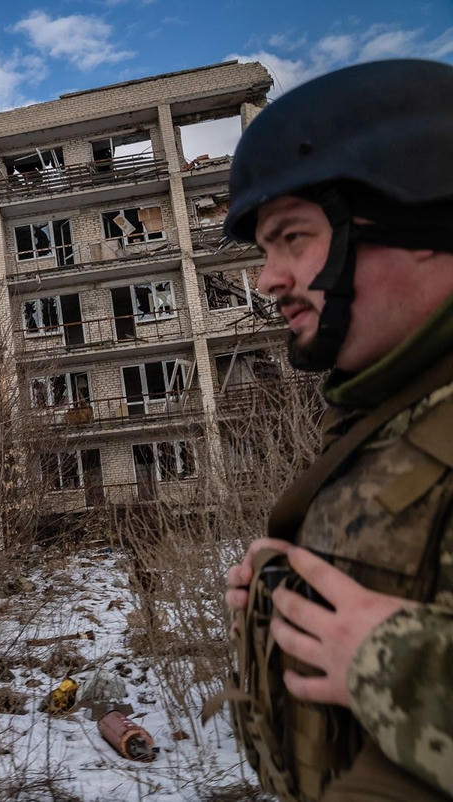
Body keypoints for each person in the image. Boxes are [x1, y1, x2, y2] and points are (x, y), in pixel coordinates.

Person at [221, 59, 453, 801]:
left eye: (293, 238)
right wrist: (288, 595)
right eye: (266, 249)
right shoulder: (387, 415)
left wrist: (396, 663)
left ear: (425, 223)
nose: (269, 280)